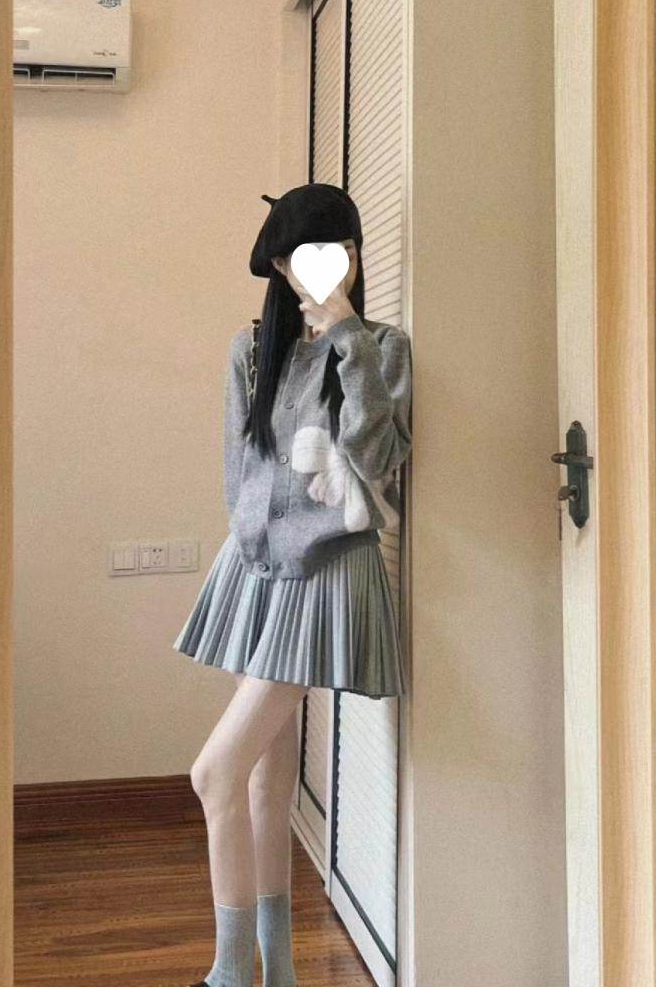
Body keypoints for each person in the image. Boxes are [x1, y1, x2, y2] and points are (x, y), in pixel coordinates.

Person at [170, 182, 412, 987]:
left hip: (329, 575)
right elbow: (240, 472)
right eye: (306, 253)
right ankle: (277, 972)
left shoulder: (382, 349)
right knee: (265, 781)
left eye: (341, 248)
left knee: (213, 773)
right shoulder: (250, 352)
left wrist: (345, 334)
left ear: (354, 255)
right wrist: (254, 552)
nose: (326, 263)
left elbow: (377, 462)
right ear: (279, 265)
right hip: (258, 569)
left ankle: (229, 974)